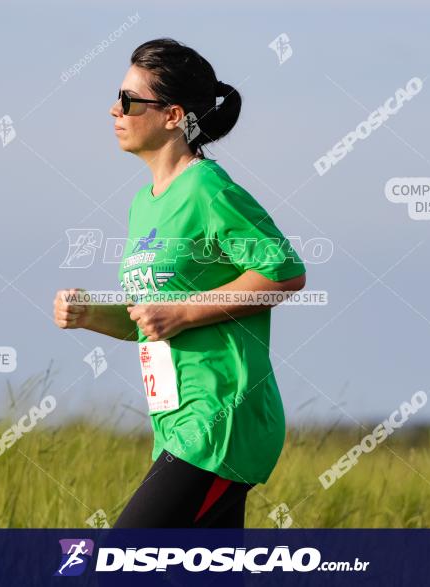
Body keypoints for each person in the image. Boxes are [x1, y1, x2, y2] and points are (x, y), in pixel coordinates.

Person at [53, 38, 306, 528]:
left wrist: (185, 311)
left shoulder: (208, 188)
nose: (114, 109)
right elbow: (150, 321)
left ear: (172, 116)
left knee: (125, 562)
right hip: (174, 423)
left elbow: (285, 272)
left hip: (219, 418)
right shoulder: (143, 204)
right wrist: (90, 316)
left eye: (129, 100)